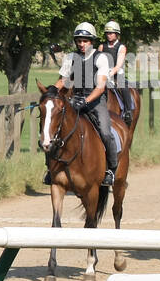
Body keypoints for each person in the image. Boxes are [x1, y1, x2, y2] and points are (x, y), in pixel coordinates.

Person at [52, 22, 119, 187]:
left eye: (85, 41)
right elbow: (63, 81)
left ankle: (111, 168)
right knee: (57, 130)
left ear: (92, 41)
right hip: (75, 100)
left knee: (105, 132)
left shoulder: (101, 58)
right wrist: (50, 92)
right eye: (79, 41)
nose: (81, 44)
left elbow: (101, 86)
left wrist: (86, 101)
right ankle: (52, 169)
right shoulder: (70, 58)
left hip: (96, 101)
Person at [101, 21, 133, 125]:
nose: (109, 35)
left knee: (123, 87)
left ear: (117, 34)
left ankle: (128, 111)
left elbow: (118, 65)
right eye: (107, 33)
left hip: (117, 75)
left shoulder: (121, 47)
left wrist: (108, 75)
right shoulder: (101, 46)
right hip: (104, 74)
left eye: (111, 33)